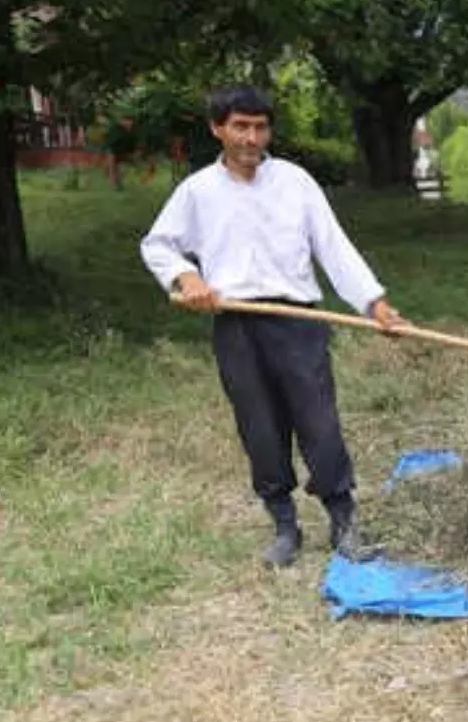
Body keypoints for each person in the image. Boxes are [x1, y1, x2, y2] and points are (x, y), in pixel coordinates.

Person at [139, 86, 407, 568]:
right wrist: (188, 275)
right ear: (217, 128)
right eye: (240, 126)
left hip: (298, 321)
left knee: (319, 422)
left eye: (260, 127)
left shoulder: (295, 182)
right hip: (237, 324)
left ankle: (344, 521)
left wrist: (375, 304)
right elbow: (157, 244)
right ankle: (284, 525)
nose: (251, 137)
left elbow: (333, 246)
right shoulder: (197, 192)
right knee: (259, 425)